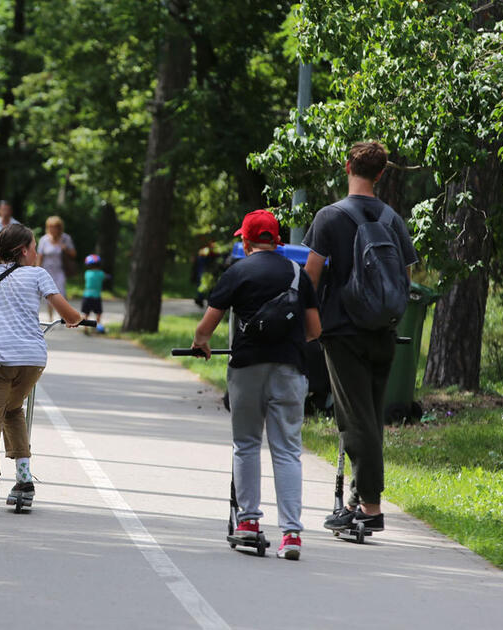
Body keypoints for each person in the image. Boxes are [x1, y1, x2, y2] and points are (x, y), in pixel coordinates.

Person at [189, 209, 321, 561]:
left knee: (246, 443)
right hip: (290, 370)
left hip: (247, 368)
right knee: (288, 449)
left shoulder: (238, 272)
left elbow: (207, 326)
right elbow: (314, 330)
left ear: (245, 241)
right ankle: (291, 533)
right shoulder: (298, 274)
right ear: (277, 240)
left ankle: (248, 522)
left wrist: (201, 342)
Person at [303, 141, 418, 535]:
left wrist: (308, 327)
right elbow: (404, 281)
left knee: (356, 421)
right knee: (370, 419)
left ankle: (370, 506)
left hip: (343, 332)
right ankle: (358, 497)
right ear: (382, 173)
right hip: (384, 332)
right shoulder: (393, 219)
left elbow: (310, 279)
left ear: (347, 165)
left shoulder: (329, 217)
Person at [0, 224, 83, 515]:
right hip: (33, 360)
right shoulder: (38, 274)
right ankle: (24, 480)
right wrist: (75, 319)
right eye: (33, 247)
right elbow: (69, 314)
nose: (36, 253)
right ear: (24, 251)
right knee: (13, 409)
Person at [37, 215, 76, 319]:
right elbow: (40, 256)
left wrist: (65, 249)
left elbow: (73, 254)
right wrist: (36, 270)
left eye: (55, 227)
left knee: (60, 293)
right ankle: (50, 317)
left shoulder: (65, 238)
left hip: (60, 270)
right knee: (48, 294)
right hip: (47, 271)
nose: (52, 229)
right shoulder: (44, 240)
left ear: (60, 228)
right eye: (50, 227)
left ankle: (63, 317)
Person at [80, 254, 106, 333]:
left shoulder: (87, 273)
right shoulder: (101, 273)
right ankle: (97, 326)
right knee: (98, 313)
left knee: (86, 313)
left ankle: (85, 328)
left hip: (87, 295)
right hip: (96, 296)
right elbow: (104, 278)